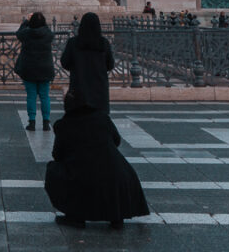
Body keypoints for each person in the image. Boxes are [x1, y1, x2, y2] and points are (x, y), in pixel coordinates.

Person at [44, 91, 149, 229]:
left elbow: (57, 155)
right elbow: (116, 140)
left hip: (83, 178)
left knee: (53, 169)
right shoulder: (102, 117)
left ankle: (75, 216)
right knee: (106, 171)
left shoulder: (63, 125)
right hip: (118, 177)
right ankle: (116, 217)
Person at [61, 13, 115, 115]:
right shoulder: (104, 43)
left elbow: (65, 62)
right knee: (99, 122)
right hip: (99, 88)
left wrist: (76, 68)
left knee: (80, 121)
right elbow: (110, 64)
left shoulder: (73, 42)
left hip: (78, 86)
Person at [15, 12, 55, 131]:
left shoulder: (26, 33)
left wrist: (26, 21)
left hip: (29, 69)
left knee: (31, 97)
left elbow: (18, 33)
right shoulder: (48, 34)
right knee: (45, 96)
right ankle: (46, 122)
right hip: (45, 69)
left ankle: (32, 122)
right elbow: (47, 29)